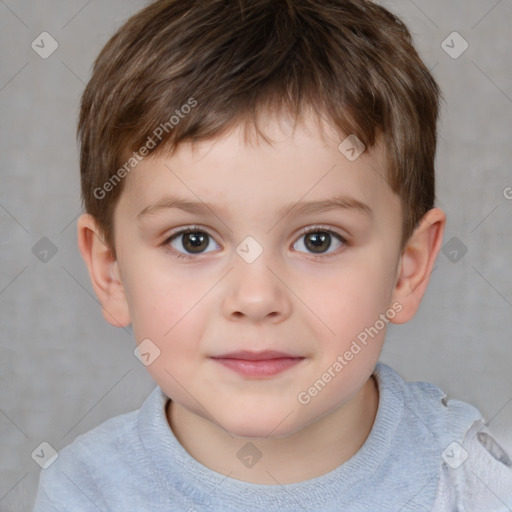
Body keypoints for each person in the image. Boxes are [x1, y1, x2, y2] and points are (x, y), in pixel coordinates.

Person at [33, 0, 512, 510]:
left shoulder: (469, 480)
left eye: (318, 240)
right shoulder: (87, 491)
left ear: (407, 269)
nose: (256, 298)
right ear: (111, 273)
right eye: (193, 240)